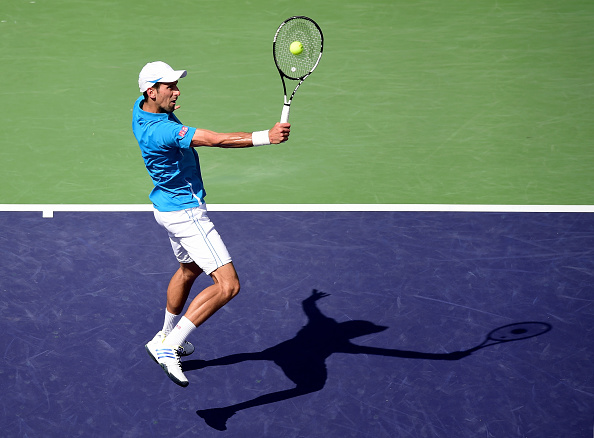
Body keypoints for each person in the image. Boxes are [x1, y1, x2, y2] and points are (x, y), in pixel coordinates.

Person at [132, 61, 290, 387]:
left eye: (177, 84)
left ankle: (163, 334)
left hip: (164, 208)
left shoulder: (141, 110)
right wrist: (266, 137)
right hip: (186, 213)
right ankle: (170, 346)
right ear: (152, 91)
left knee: (189, 270)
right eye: (170, 87)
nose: (177, 92)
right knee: (228, 285)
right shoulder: (163, 130)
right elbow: (215, 139)